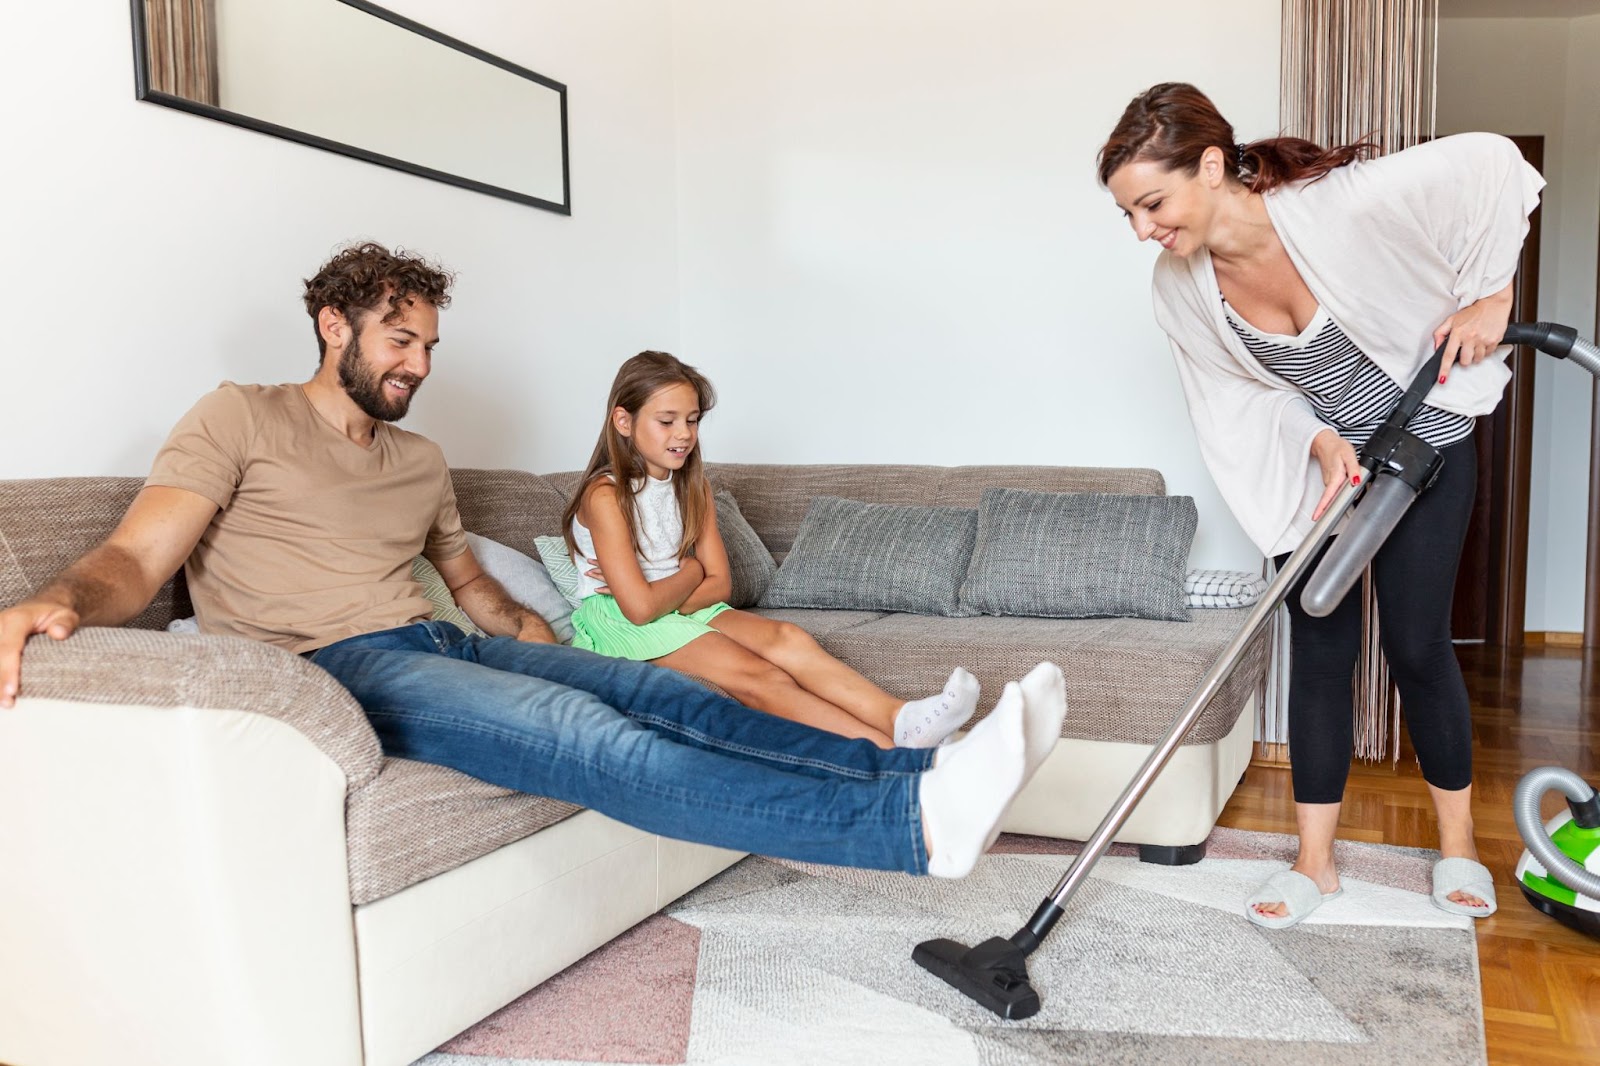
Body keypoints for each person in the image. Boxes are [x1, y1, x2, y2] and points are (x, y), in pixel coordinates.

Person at [0, 241, 1069, 880]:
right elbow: (138, 560)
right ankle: (905, 827)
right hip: (341, 663)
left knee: (657, 694)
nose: (416, 365)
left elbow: (471, 590)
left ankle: (921, 768)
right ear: (333, 327)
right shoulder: (237, 415)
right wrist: (52, 599)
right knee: (592, 734)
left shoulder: (420, 459)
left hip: (442, 641)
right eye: (396, 341)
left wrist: (552, 639)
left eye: (426, 346)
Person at [1097, 83, 1543, 926]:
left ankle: (1459, 849)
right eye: (1129, 215)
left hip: (1429, 446)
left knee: (1417, 646)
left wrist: (1494, 295)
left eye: (1152, 203)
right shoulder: (1179, 285)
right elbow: (1230, 394)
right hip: (1325, 476)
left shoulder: (1337, 207)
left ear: (1212, 165)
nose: (1144, 230)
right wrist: (1313, 440)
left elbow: (1489, 163)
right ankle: (1314, 864)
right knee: (1320, 654)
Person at [561, 350, 981, 749]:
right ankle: (892, 757)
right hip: (621, 623)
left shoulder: (694, 487)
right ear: (623, 421)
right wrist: (690, 572)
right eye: (667, 421)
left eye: (691, 420)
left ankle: (902, 720)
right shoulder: (606, 496)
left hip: (682, 606)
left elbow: (721, 584)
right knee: (759, 675)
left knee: (788, 637)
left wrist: (668, 593)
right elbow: (637, 609)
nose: (684, 434)